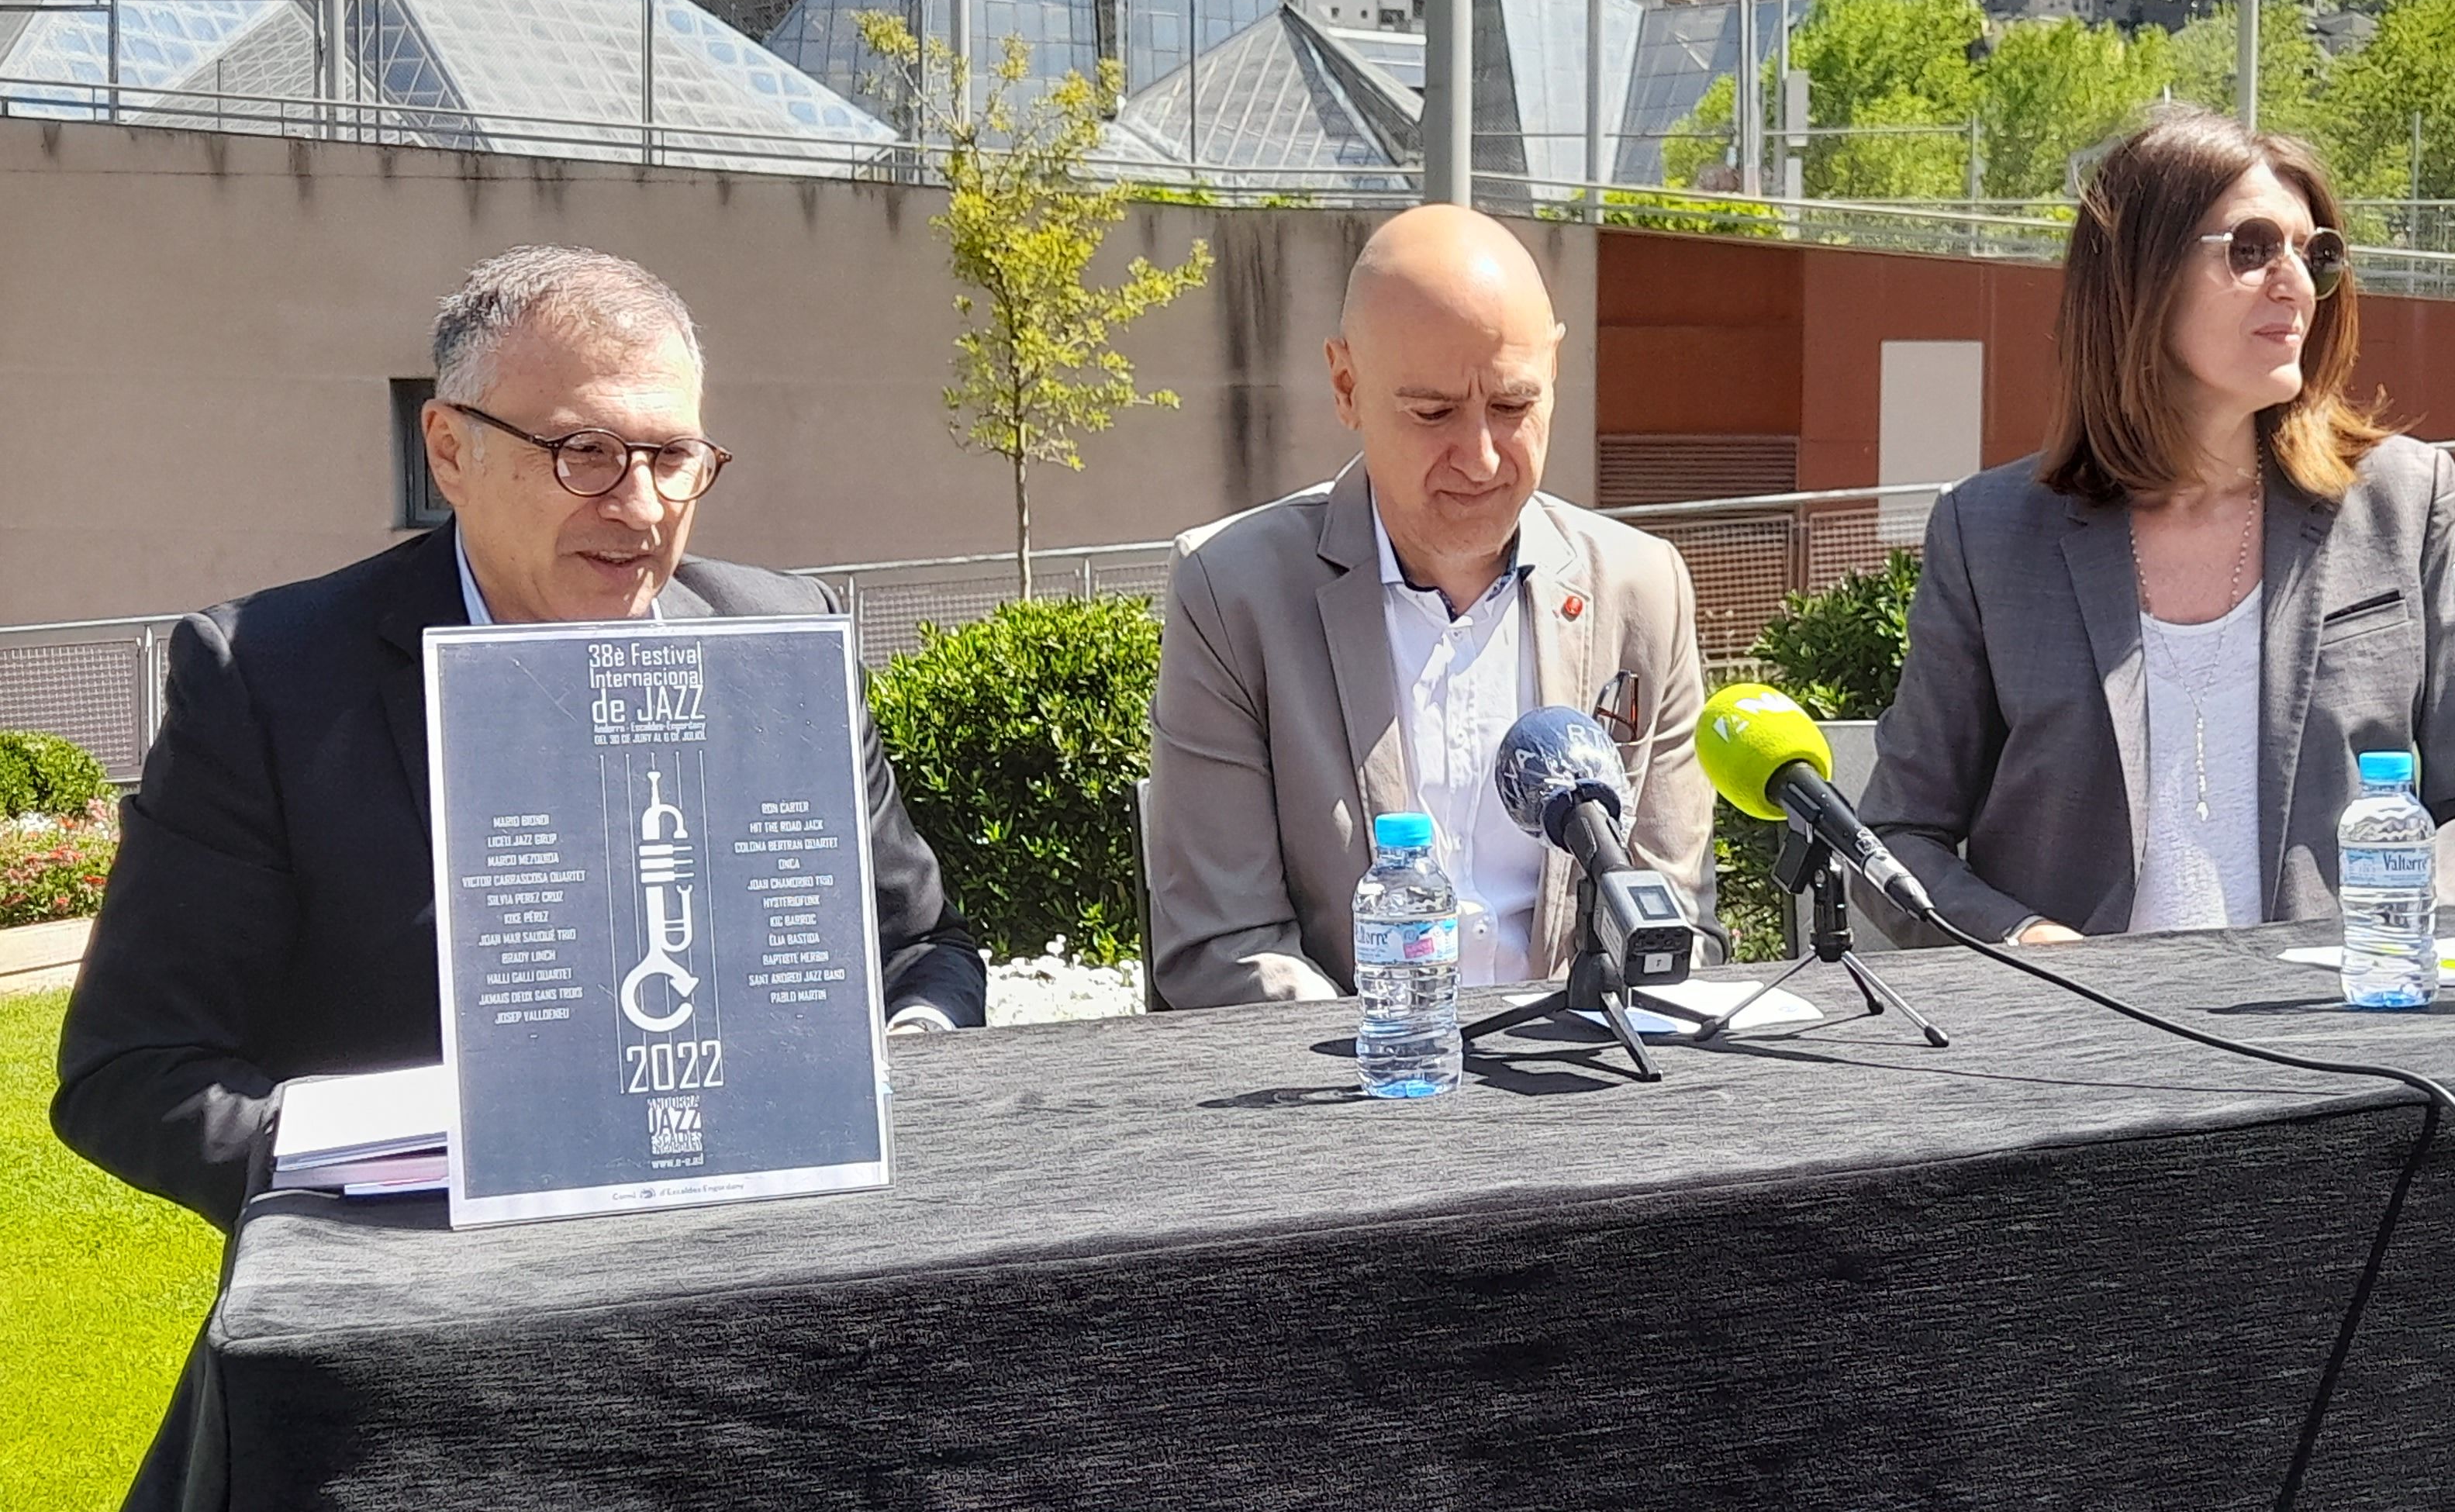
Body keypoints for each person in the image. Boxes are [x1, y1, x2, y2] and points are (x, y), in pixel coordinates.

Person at [53, 246, 986, 1230]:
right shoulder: (268, 678)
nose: (640, 508)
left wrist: (901, 1069)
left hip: (776, 1255)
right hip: (431, 1284)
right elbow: (137, 1069)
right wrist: (422, 1160)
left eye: (673, 457)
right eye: (585, 452)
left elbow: (920, 950)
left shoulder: (785, 641)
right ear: (449, 452)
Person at [1863, 111, 2455, 940]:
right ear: (2139, 273)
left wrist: (2403, 944)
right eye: (2252, 249)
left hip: (2338, 1014)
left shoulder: (2405, 503)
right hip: (2083, 1017)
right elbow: (1895, 836)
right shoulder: (1987, 534)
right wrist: (2022, 940)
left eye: (2315, 254)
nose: (2296, 284)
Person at [1148, 203, 1714, 1009]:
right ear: (1346, 385)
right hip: (1346, 1071)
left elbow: (1669, 917)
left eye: (1513, 406)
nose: (1480, 458)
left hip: (1582, 1070)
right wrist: (1394, 1055)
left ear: (1554, 370)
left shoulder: (1640, 589)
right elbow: (1225, 947)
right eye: (1434, 412)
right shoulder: (1232, 593)